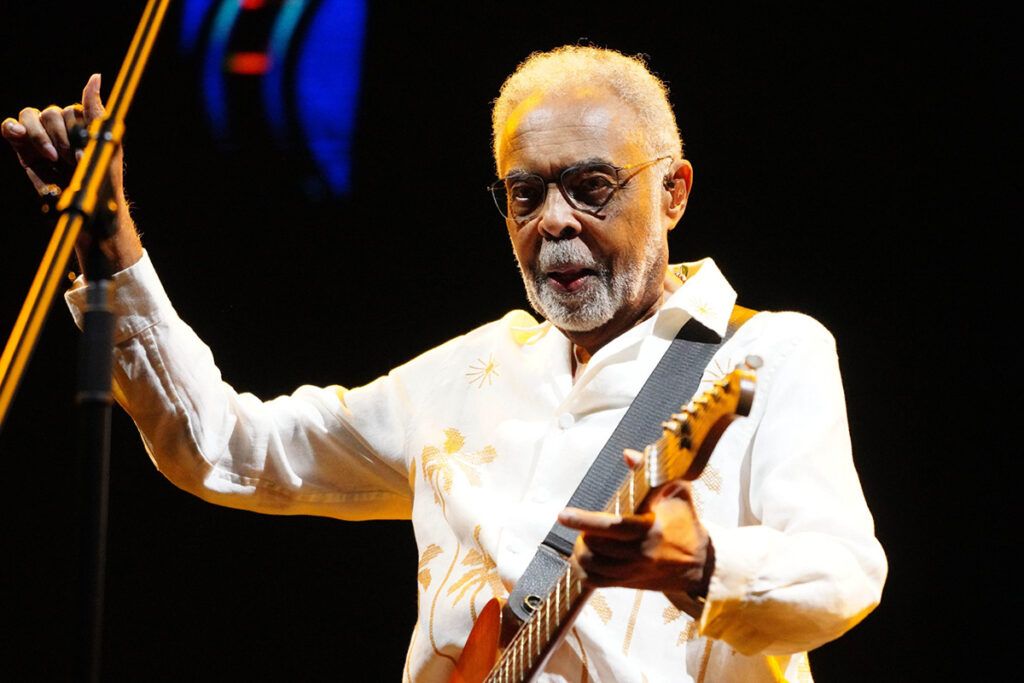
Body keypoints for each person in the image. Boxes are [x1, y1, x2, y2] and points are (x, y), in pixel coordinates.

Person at [3, 46, 886, 682]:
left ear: (674, 191)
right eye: (525, 194)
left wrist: (702, 566)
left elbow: (846, 571)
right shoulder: (467, 373)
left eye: (591, 186)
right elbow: (230, 449)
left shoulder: (766, 353)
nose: (554, 222)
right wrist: (110, 246)